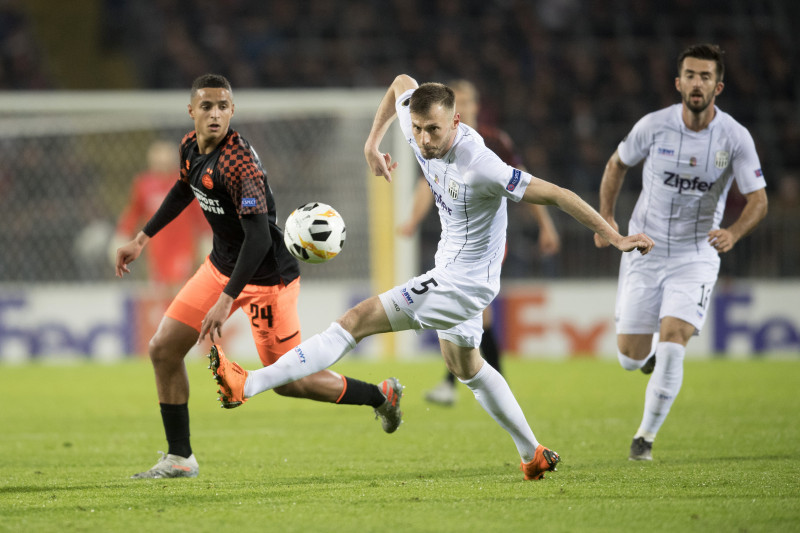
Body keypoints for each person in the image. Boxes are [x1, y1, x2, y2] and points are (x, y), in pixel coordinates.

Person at [209, 74, 654, 481]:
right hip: (451, 269)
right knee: (468, 368)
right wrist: (371, 142)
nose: (423, 140)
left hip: (465, 283)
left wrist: (612, 237)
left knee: (354, 321)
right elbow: (400, 81)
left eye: (434, 130)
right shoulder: (417, 124)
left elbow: (557, 194)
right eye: (418, 129)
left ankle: (248, 383)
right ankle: (532, 452)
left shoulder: (481, 164)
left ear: (455, 121)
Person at [115, 74, 404, 480]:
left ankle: (380, 395)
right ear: (191, 111)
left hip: (268, 279)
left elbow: (255, 239)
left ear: (232, 111)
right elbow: (184, 189)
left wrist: (225, 299)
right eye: (206, 106)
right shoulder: (188, 147)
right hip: (220, 267)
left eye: (222, 106)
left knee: (290, 382)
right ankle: (180, 457)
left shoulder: (239, 164)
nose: (215, 114)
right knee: (163, 349)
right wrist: (142, 238)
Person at [593, 44, 768, 461]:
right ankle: (647, 358)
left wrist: (735, 232)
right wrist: (606, 220)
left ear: (718, 86)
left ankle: (644, 439)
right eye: (690, 74)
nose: (697, 82)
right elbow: (616, 165)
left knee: (675, 338)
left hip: (695, 254)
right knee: (630, 360)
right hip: (645, 247)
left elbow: (759, 199)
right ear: (678, 82)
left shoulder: (735, 137)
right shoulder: (653, 126)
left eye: (705, 76)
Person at [397, 79, 561, 406]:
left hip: (486, 244)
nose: (467, 106)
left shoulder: (494, 143)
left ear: (472, 107)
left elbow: (528, 183)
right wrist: (414, 220)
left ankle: (463, 382)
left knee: (475, 313)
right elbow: (422, 183)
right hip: (454, 241)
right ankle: (480, 381)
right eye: (462, 101)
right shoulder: (433, 138)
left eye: (471, 101)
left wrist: (546, 226)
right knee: (474, 318)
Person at [114, 140, 207, 289]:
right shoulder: (143, 184)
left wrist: (206, 237)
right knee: (159, 287)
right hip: (156, 248)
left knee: (179, 285)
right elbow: (133, 213)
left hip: (182, 245)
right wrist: (123, 234)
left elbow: (200, 214)